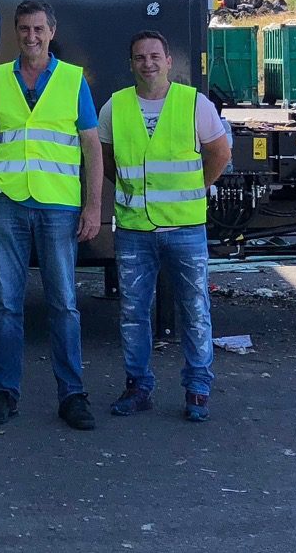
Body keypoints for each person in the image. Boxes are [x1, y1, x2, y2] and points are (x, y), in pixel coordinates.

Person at [0, 0, 104, 430]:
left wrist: (93, 205)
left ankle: (72, 395)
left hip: (58, 206)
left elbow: (91, 146)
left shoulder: (72, 80)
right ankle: (4, 392)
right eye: (25, 29)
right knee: (6, 306)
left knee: (64, 304)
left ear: (52, 32)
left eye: (39, 29)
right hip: (8, 203)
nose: (32, 36)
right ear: (16, 31)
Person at [99, 31, 232, 422]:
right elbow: (105, 160)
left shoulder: (195, 104)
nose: (148, 63)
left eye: (155, 56)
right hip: (134, 229)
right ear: (131, 64)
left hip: (185, 228)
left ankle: (197, 390)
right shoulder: (115, 107)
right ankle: (138, 386)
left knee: (195, 309)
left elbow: (219, 153)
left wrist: (195, 189)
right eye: (140, 57)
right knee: (133, 312)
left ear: (169, 61)